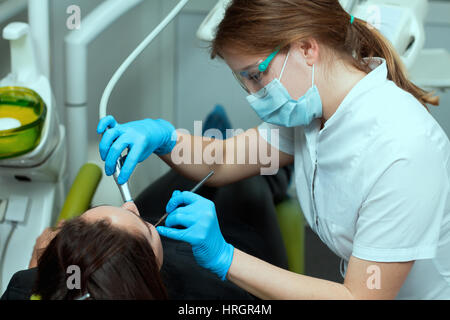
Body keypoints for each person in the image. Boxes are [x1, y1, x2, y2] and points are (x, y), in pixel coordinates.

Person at [95, 0, 450, 299]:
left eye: (255, 75)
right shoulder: (313, 109)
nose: (252, 94)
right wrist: (164, 139)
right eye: (244, 79)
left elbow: (355, 297)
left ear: (307, 49)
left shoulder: (402, 151)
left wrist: (225, 257)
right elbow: (223, 160)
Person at [1, 151, 292, 300]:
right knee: (249, 175)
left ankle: (217, 130)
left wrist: (39, 260)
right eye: (145, 226)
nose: (130, 206)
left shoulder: (24, 287)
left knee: (207, 167)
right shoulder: (216, 297)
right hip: (239, 251)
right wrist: (224, 257)